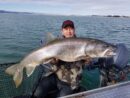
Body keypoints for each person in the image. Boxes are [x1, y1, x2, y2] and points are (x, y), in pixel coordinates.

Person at [31, 20, 86, 98]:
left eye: (71, 29)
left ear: (74, 30)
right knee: (38, 91)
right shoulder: (56, 43)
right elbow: (51, 63)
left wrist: (88, 61)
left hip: (70, 82)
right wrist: (54, 60)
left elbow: (88, 63)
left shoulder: (81, 44)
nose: (69, 31)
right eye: (66, 29)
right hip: (56, 76)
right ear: (62, 31)